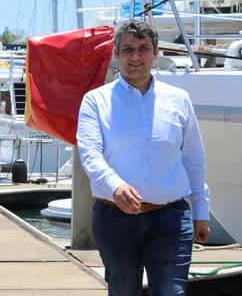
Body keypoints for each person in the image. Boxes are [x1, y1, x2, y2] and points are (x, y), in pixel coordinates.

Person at [77, 20, 210, 295]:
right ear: (116, 53)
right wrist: (116, 186)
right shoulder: (95, 101)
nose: (135, 56)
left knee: (172, 292)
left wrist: (201, 212)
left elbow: (193, 158)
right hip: (115, 219)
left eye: (143, 48)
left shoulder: (179, 99)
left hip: (170, 218)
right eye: (127, 49)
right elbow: (89, 154)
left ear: (156, 52)